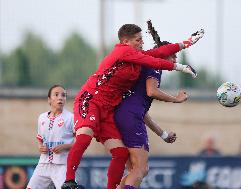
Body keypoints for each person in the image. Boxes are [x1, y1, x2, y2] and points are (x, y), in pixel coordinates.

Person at [61, 23, 204, 189]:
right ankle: (69, 181)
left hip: (109, 109)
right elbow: (155, 63)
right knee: (86, 136)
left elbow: (159, 53)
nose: (141, 42)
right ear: (125, 41)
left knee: (121, 154)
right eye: (138, 39)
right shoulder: (123, 51)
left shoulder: (135, 56)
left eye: (142, 39)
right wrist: (182, 68)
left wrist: (186, 42)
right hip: (91, 99)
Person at [114, 21, 189, 189]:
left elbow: (143, 112)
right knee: (140, 168)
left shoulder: (146, 63)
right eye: (174, 55)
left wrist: (163, 134)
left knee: (135, 169)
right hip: (130, 117)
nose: (175, 59)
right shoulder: (154, 66)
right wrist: (175, 99)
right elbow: (151, 91)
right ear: (165, 54)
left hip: (122, 116)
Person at [27, 85, 74, 189]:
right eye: (56, 95)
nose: (60, 98)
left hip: (62, 165)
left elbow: (80, 142)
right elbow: (40, 138)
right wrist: (40, 146)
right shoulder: (42, 117)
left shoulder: (70, 118)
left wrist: (65, 146)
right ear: (49, 99)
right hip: (43, 164)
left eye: (63, 95)